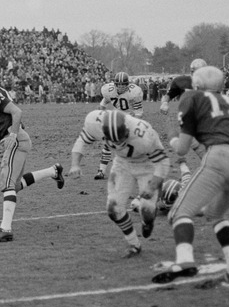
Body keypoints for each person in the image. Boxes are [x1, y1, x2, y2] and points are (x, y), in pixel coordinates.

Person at [152, 66, 229, 285]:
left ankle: (185, 260)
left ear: (196, 86)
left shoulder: (192, 98)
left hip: (219, 158)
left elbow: (181, 149)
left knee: (178, 212)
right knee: (216, 215)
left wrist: (172, 135)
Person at [0, 67, 64, 243]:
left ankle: (5, 229)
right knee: (15, 186)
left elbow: (17, 112)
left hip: (15, 138)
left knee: (7, 183)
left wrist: (13, 135)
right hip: (18, 139)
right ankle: (53, 172)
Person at [68, 109, 170, 258]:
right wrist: (75, 164)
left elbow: (163, 161)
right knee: (113, 208)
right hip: (122, 165)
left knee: (147, 212)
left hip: (147, 165)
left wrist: (153, 185)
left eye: (122, 139)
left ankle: (148, 221)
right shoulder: (93, 122)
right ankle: (134, 244)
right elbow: (82, 140)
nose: (119, 144)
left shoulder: (144, 133)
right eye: (114, 141)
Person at [94, 72, 144, 180]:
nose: (121, 87)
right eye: (119, 84)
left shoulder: (134, 92)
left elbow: (139, 112)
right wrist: (101, 111)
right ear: (115, 84)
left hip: (130, 118)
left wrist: (134, 121)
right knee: (108, 143)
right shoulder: (109, 90)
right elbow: (104, 102)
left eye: (123, 84)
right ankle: (101, 171)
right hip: (116, 116)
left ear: (127, 84)